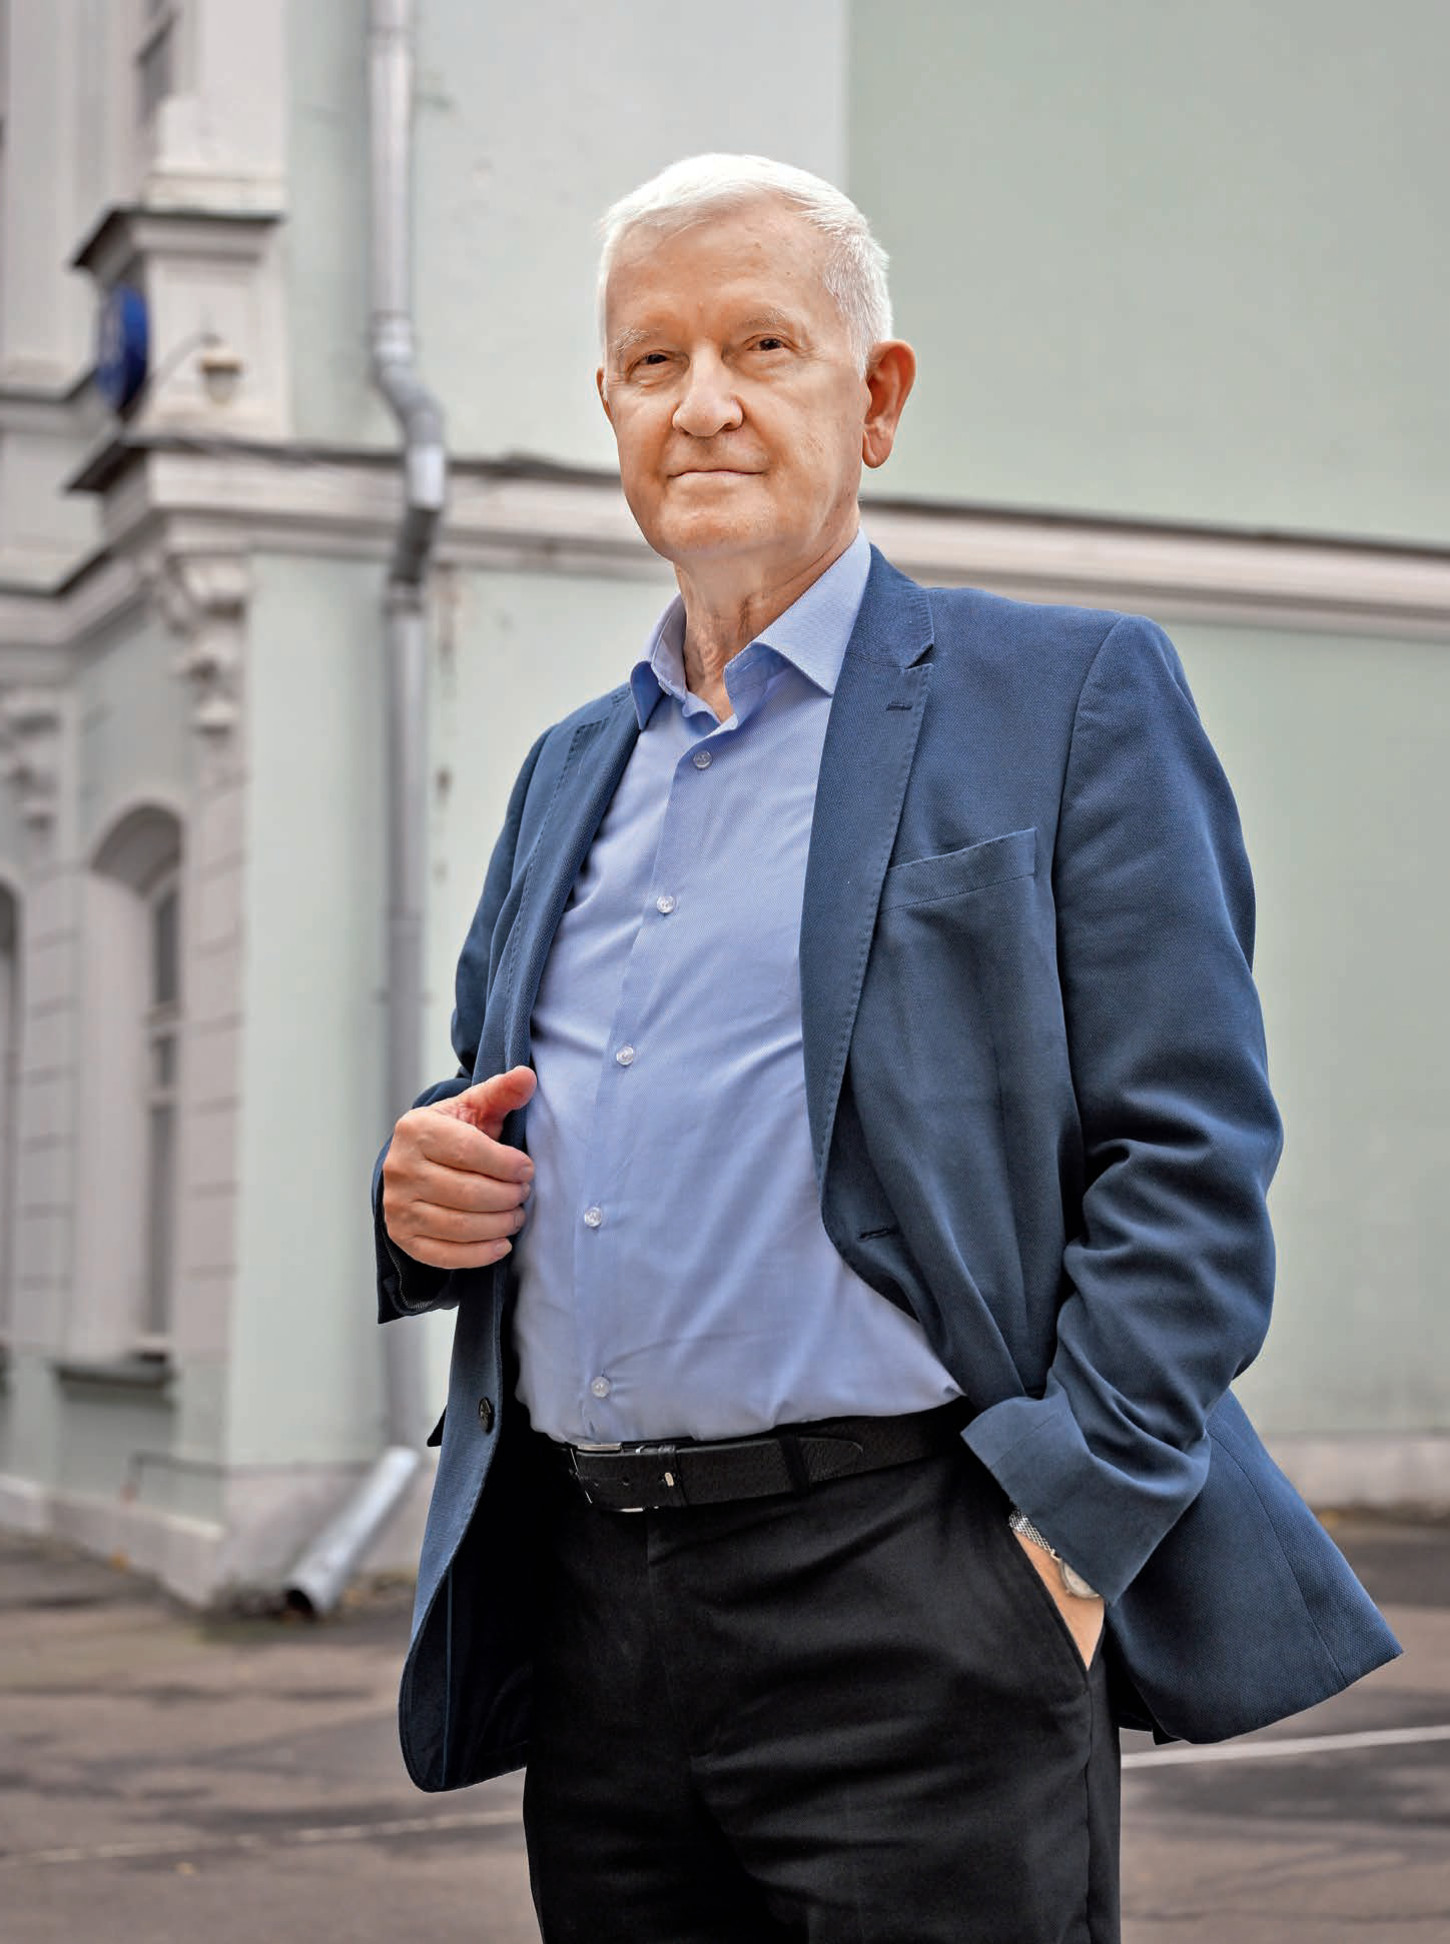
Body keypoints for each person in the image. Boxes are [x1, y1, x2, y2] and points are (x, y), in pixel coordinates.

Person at [372, 154, 1398, 1943]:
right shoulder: (565, 772)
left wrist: (1061, 1536)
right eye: (650, 361)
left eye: (760, 346)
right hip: (595, 1607)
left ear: (877, 398)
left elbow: (1186, 1155)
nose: (700, 403)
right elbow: (502, 1107)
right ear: (609, 408)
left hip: (918, 1591)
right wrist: (420, 1192)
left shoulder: (1062, 699)